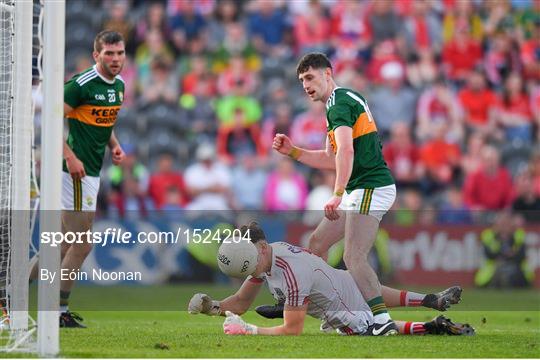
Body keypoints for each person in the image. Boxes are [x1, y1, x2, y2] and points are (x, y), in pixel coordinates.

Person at [272, 53, 398, 335]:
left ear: (328, 74)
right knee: (317, 243)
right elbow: (333, 158)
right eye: (302, 80)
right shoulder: (340, 101)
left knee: (353, 257)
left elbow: (346, 152)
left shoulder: (339, 103)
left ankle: (381, 320)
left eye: (310, 77)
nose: (305, 84)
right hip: (359, 187)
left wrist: (337, 193)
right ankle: (334, 312)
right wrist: (294, 152)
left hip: (370, 186)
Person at [188, 223, 472, 337]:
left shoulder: (290, 271)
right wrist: (210, 306)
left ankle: (433, 327)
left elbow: (292, 329)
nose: (250, 274)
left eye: (250, 265)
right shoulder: (267, 258)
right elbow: (239, 302)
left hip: (341, 311)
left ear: (260, 248)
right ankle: (429, 300)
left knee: (372, 327)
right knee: (370, 292)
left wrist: (249, 330)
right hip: (342, 281)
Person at [49, 30, 126, 327]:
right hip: (74, 173)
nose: (115, 58)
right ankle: (56, 313)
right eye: (109, 53)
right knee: (82, 245)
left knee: (62, 246)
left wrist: (114, 144)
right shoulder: (79, 85)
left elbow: (105, 121)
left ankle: (10, 293)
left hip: (92, 170)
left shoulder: (119, 85)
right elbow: (52, 122)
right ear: (96, 55)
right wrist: (70, 156)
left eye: (119, 53)